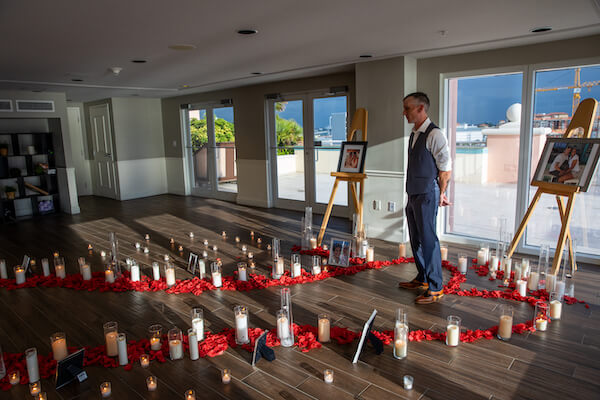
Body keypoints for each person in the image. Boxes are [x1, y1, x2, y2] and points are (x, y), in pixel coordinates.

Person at [398, 92, 452, 304]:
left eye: (407, 108)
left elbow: (445, 170)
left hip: (427, 194)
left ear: (421, 108)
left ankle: (436, 287)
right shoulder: (414, 133)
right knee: (416, 239)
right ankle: (423, 278)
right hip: (412, 193)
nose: (404, 112)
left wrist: (442, 193)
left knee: (429, 239)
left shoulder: (435, 134)